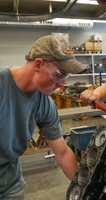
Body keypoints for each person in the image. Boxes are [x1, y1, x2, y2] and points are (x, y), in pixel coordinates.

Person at [0, 35, 87, 199]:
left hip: (10, 184)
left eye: (66, 77)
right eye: (60, 74)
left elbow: (62, 153)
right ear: (38, 64)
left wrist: (86, 187)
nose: (62, 84)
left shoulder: (44, 103)